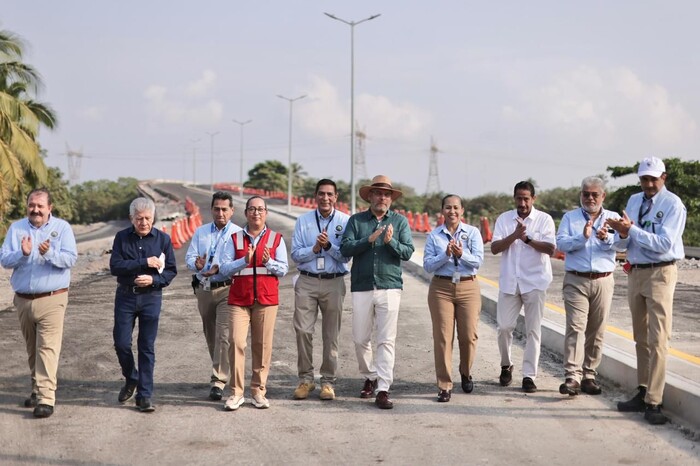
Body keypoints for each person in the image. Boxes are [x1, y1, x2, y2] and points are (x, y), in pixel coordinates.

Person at [608, 157, 686, 425]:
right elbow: (626, 239)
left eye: (654, 178)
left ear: (664, 177)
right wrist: (619, 233)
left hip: (661, 272)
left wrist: (633, 231)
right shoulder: (633, 200)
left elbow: (664, 243)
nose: (649, 184)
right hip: (636, 272)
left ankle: (654, 401)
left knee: (658, 339)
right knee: (640, 336)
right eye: (644, 179)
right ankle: (642, 390)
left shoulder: (673, 204)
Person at [0, 188, 77, 418]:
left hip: (52, 298)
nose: (35, 210)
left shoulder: (61, 228)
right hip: (23, 300)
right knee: (32, 350)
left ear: (49, 208)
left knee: (47, 349)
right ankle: (37, 389)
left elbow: (71, 258)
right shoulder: (17, 228)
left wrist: (50, 253)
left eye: (40, 206)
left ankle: (46, 398)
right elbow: (4, 259)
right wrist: (22, 254)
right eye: (32, 205)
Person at [340, 175, 414, 409]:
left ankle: (383, 388)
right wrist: (368, 240)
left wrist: (390, 242)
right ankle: (370, 375)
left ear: (391, 198)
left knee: (386, 340)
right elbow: (345, 248)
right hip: (362, 286)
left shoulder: (400, 222)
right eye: (378, 193)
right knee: (360, 339)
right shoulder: (357, 221)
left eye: (386, 194)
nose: (382, 197)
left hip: (390, 286)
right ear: (370, 196)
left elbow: (407, 252)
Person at [216, 196, 288, 411]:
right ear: (245, 212)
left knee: (262, 346)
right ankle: (236, 392)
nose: (256, 213)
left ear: (266, 213)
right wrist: (244, 261)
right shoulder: (235, 238)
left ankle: (258, 390)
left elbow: (283, 269)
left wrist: (268, 261)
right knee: (236, 343)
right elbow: (224, 268)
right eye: (252, 209)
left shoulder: (276, 239)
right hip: (239, 299)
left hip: (266, 300)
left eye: (260, 209)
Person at [110, 197, 177, 413]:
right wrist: (144, 262)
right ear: (131, 219)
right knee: (121, 343)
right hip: (126, 296)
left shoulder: (163, 240)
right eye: (139, 219)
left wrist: (154, 280)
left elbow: (171, 271)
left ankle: (145, 395)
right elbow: (116, 266)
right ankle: (132, 378)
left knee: (146, 347)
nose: (144, 222)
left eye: (148, 218)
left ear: (153, 217)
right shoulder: (121, 238)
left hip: (151, 297)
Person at [556, 177, 622, 397]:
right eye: (586, 194)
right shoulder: (570, 218)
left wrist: (607, 239)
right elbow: (561, 244)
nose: (590, 198)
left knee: (597, 329)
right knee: (575, 327)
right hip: (577, 279)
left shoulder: (613, 218)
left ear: (603, 196)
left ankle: (589, 375)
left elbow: (624, 243)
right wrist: (582, 237)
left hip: (603, 279)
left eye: (595, 194)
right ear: (580, 195)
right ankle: (572, 377)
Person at [490, 181, 555, 393]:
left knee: (533, 331)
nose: (523, 202)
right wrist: (515, 236)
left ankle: (529, 375)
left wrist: (527, 239)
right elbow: (495, 248)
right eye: (519, 198)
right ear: (514, 198)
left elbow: (550, 248)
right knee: (504, 327)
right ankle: (506, 364)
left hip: (535, 281)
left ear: (533, 199)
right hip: (510, 281)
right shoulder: (504, 219)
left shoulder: (544, 220)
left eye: (526, 198)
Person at [291, 179, 350, 401]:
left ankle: (327, 381)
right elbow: (296, 254)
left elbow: (346, 255)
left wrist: (328, 247)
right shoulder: (303, 221)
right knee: (303, 330)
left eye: (330, 194)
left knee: (331, 334)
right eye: (321, 194)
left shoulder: (345, 221)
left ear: (336, 197)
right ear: (315, 196)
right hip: (307, 280)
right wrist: (314, 249)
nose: (325, 198)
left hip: (334, 281)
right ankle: (306, 379)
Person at [423, 194, 484, 402]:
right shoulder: (434, 236)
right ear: (442, 211)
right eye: (448, 208)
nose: (452, 212)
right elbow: (428, 265)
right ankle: (444, 384)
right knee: (443, 337)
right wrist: (446, 255)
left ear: (462, 210)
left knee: (468, 336)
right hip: (441, 287)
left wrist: (461, 254)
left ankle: (465, 372)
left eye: (456, 208)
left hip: (468, 286)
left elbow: (477, 262)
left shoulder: (473, 233)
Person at [185, 191, 242, 401]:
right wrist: (196, 264)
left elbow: (242, 261)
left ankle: (218, 380)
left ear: (232, 211)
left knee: (223, 335)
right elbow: (190, 257)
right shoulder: (201, 232)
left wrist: (222, 269)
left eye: (224, 209)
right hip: (204, 288)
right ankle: (221, 368)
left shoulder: (238, 233)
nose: (220, 213)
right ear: (211, 210)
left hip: (228, 288)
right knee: (211, 335)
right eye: (217, 209)